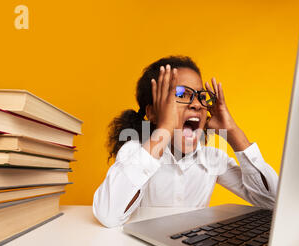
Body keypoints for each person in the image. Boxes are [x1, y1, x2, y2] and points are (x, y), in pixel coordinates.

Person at [93, 55, 278, 228]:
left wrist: (233, 132)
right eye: (181, 94)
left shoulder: (212, 159)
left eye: (201, 96)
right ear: (152, 113)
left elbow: (273, 202)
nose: (197, 104)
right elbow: (108, 215)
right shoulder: (135, 151)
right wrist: (164, 129)